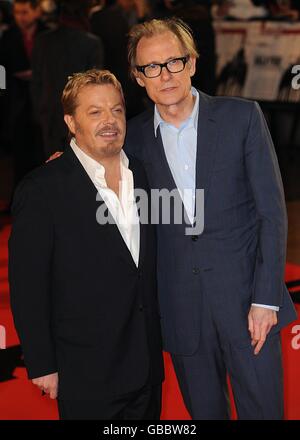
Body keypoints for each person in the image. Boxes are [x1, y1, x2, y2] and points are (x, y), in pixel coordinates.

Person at [124, 17, 297, 419]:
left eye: (174, 62)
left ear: (193, 63)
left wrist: (265, 298)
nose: (165, 75)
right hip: (182, 309)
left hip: (248, 305)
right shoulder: (131, 140)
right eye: (152, 67)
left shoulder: (243, 118)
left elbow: (271, 214)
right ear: (138, 77)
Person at [9, 69, 164, 420]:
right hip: (86, 372)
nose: (109, 121)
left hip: (146, 367)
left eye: (117, 110)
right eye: (95, 112)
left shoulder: (143, 174)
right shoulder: (42, 189)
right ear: (71, 122)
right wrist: (42, 363)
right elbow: (28, 286)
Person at [31, 0, 104, 158]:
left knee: (53, 168)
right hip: (81, 116)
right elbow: (97, 86)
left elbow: (36, 82)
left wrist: (41, 112)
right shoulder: (91, 43)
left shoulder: (42, 41)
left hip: (49, 116)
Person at [0, 0, 47, 189]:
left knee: (42, 152)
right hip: (16, 101)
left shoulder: (46, 33)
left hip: (43, 101)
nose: (20, 17)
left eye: (25, 12)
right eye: (17, 12)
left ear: (37, 12)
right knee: (20, 155)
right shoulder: (9, 36)